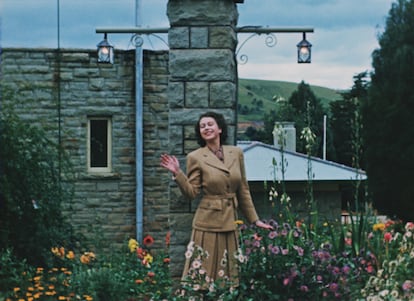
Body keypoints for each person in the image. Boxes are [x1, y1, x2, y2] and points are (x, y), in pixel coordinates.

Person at [160, 111, 272, 286]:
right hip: (207, 224)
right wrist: (178, 173)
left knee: (229, 276)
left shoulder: (236, 153)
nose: (206, 128)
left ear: (220, 129)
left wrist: (254, 220)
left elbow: (243, 189)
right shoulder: (195, 157)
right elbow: (191, 193)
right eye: (202, 126)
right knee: (202, 275)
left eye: (210, 124)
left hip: (230, 223)